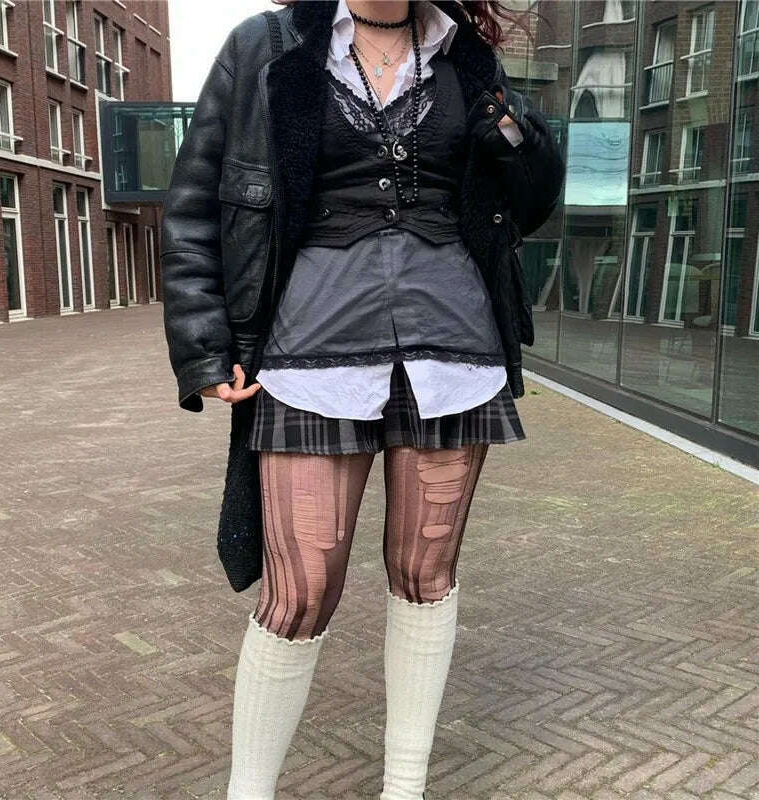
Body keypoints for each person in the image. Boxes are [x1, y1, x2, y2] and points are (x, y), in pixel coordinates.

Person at [159, 1, 565, 798]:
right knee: (299, 592)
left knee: (425, 574)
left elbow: (524, 205)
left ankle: (404, 788)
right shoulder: (267, 46)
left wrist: (521, 144)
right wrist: (205, 345)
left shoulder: (466, 57)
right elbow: (195, 203)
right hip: (309, 352)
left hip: (452, 350)